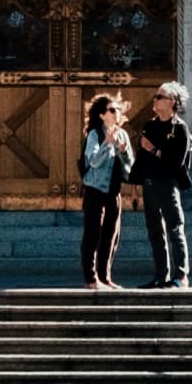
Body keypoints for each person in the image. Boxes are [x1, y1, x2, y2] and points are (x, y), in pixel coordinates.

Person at [130, 79, 192, 289]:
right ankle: (161, 275)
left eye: (160, 97)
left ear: (172, 102)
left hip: (168, 184)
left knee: (174, 229)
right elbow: (141, 157)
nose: (155, 100)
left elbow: (175, 162)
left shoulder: (180, 128)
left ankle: (181, 276)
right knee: (154, 230)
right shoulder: (150, 125)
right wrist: (135, 187)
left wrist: (154, 150)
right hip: (149, 183)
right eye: (156, 96)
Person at [77, 92, 129, 288]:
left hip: (113, 191)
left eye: (118, 109)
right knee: (93, 234)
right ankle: (91, 278)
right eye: (112, 110)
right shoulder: (94, 135)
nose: (116, 113)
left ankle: (105, 276)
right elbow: (93, 161)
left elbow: (129, 166)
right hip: (95, 190)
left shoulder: (122, 134)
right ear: (101, 115)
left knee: (110, 235)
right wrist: (107, 143)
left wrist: (123, 152)